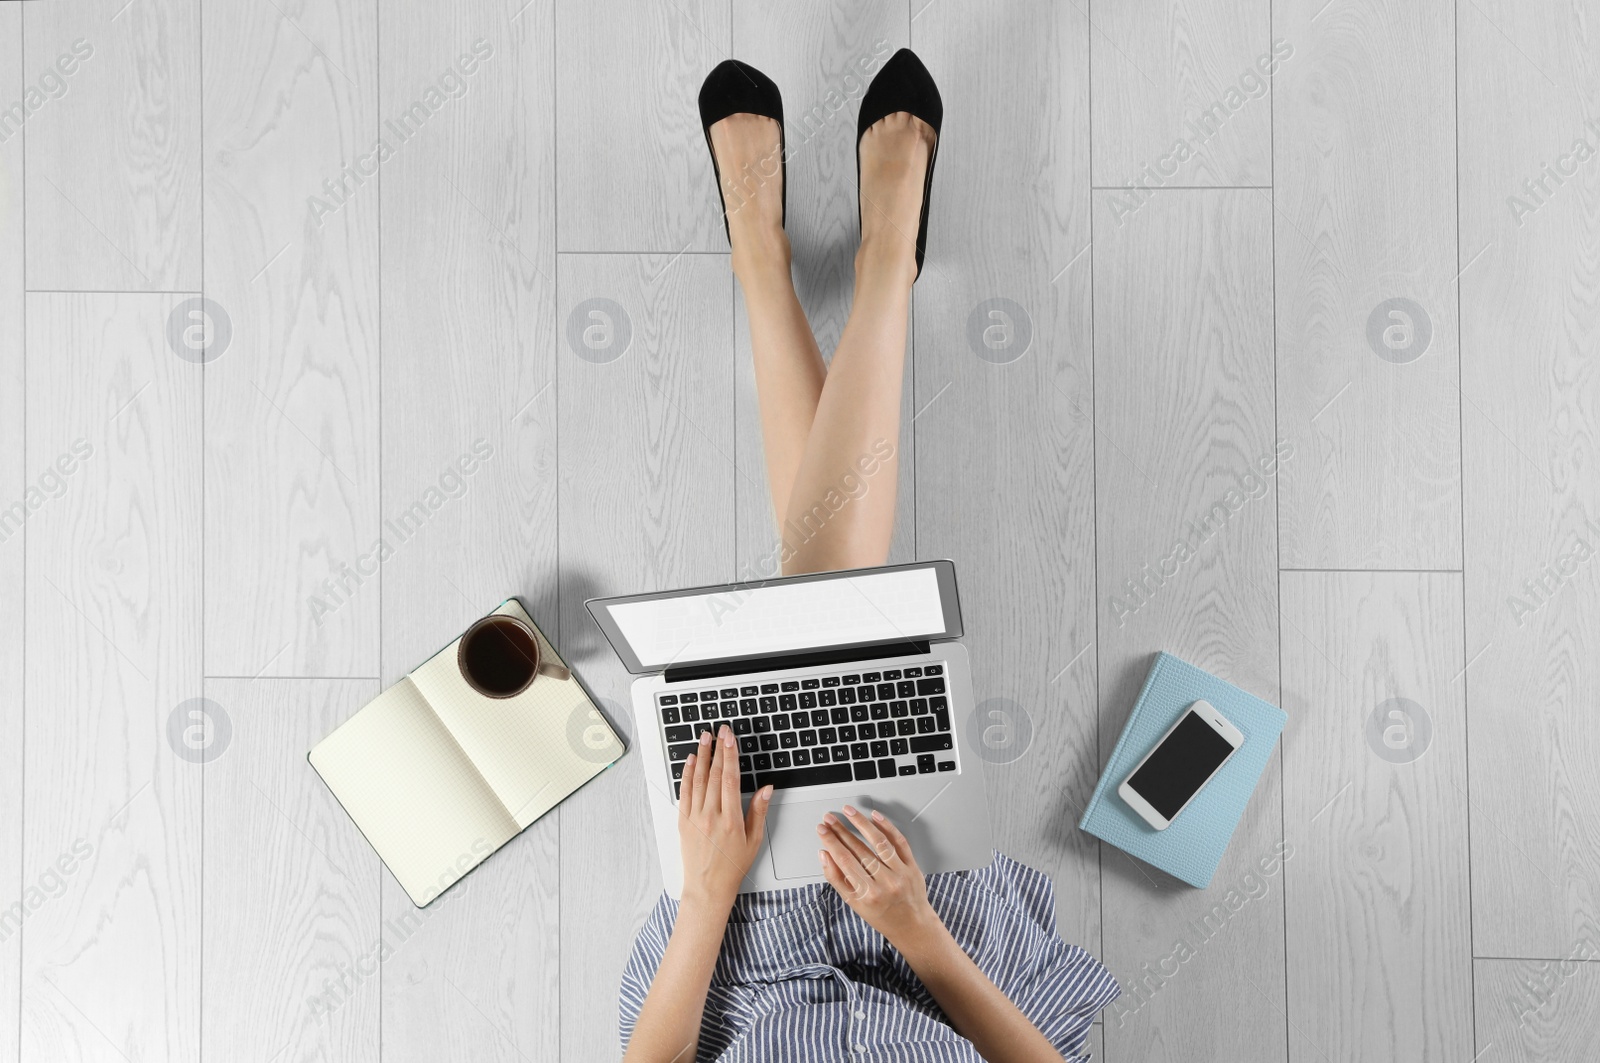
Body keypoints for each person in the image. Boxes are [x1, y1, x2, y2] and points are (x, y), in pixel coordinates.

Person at [618, 51, 1119, 1062]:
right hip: (942, 962)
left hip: (736, 957)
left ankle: (855, 261)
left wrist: (709, 889)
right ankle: (814, 262)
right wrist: (915, 928)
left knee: (828, 608)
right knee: (830, 616)